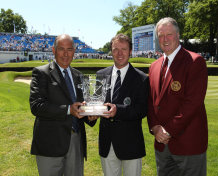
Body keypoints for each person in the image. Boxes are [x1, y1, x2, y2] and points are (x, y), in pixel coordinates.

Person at [147, 17, 208, 176]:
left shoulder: (195, 61)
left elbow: (192, 103)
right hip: (161, 145)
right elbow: (151, 101)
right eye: (161, 35)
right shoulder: (153, 66)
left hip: (188, 144)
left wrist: (168, 131)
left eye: (169, 34)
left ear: (178, 35)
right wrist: (154, 127)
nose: (165, 39)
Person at [29, 34, 95, 176]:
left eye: (69, 49)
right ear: (54, 50)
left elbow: (81, 107)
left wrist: (90, 115)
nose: (65, 54)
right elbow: (36, 105)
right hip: (50, 143)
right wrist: (68, 110)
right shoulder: (41, 73)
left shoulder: (78, 75)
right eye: (61, 49)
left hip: (76, 141)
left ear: (74, 51)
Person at [94, 33, 148, 176]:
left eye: (123, 49)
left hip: (131, 142)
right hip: (107, 141)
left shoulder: (141, 78)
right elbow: (96, 101)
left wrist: (118, 110)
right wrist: (90, 113)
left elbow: (142, 109)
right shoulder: (101, 74)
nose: (119, 53)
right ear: (111, 51)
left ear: (130, 51)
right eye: (115, 49)